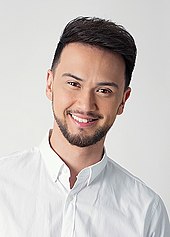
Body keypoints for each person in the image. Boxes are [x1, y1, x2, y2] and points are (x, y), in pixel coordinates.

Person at [0, 16, 169, 237]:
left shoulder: (147, 212)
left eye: (104, 90)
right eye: (73, 84)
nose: (85, 105)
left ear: (123, 100)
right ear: (50, 84)